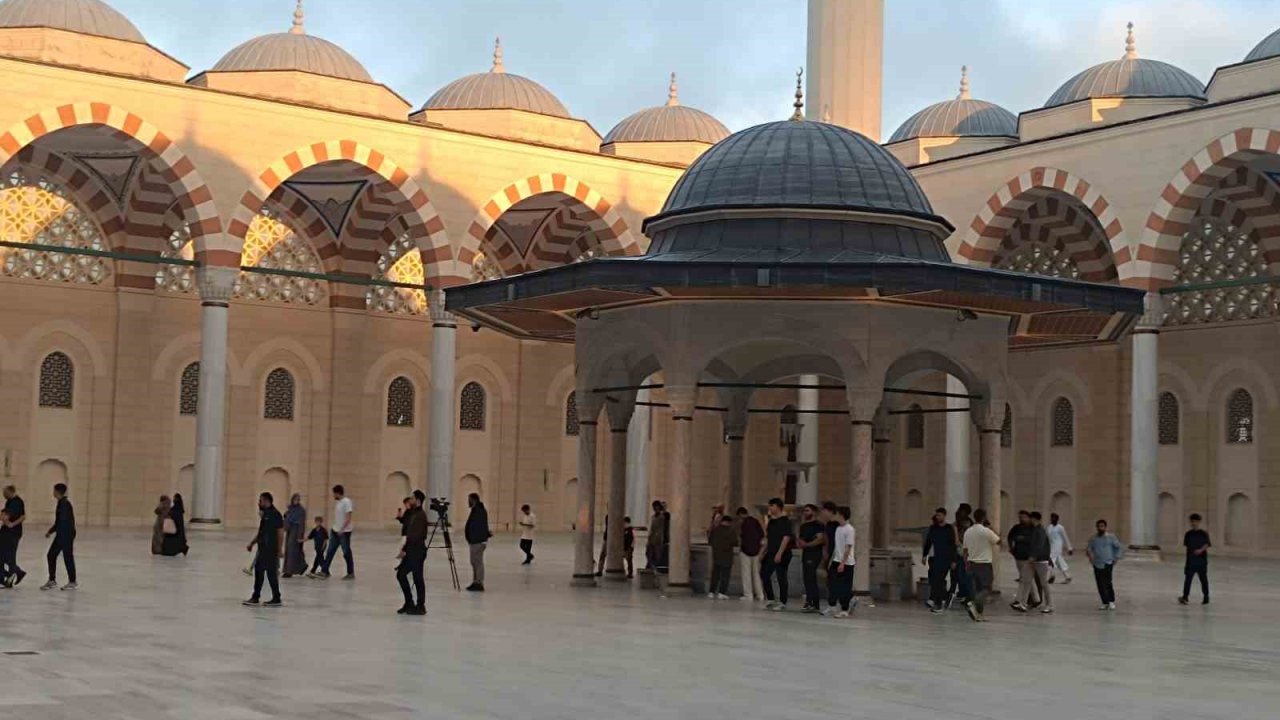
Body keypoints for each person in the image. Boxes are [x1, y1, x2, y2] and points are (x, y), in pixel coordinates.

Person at [243, 492, 284, 607]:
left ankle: (276, 598)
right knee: (259, 572)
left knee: (271, 574)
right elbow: (261, 533)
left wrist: (280, 549)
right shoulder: (265, 514)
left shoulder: (275, 515)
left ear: (267, 501)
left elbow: (280, 532)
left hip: (271, 550)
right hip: (263, 549)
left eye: (260, 501)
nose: (259, 503)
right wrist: (252, 543)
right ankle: (256, 597)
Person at [962, 508, 1001, 622]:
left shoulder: (968, 531)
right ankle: (972, 603)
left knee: (978, 589)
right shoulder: (986, 531)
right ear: (984, 518)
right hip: (984, 564)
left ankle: (978, 615)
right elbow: (999, 541)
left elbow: (965, 550)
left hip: (971, 564)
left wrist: (966, 564)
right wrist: (992, 529)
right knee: (987, 588)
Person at [396, 490, 429, 615]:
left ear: (418, 500)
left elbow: (416, 535)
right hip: (411, 550)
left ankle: (420, 606)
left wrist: (405, 547)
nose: (410, 500)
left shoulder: (421, 515)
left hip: (417, 551)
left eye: (413, 498)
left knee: (417, 578)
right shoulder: (414, 513)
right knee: (401, 574)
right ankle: (409, 602)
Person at [40, 483, 76, 591]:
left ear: (57, 491)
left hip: (65, 535)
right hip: (62, 534)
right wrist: (50, 532)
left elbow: (63, 522)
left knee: (67, 557)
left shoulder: (64, 504)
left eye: (54, 490)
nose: (53, 492)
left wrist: (62, 536)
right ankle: (52, 580)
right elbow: (58, 522)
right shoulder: (62, 503)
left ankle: (72, 581)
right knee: (51, 555)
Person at [922, 507, 958, 614]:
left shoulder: (949, 529)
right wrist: (924, 555)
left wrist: (954, 560)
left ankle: (938, 604)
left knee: (939, 581)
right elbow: (928, 542)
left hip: (946, 559)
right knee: (936, 581)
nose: (938, 517)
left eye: (940, 515)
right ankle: (944, 599)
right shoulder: (933, 528)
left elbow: (953, 545)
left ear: (944, 516)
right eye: (937, 515)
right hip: (936, 558)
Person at [1017, 511, 1054, 614]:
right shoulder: (1034, 530)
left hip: (1040, 560)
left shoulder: (1040, 531)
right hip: (1032, 560)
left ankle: (1049, 605)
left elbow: (1040, 545)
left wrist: (1033, 556)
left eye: (1030, 518)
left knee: (1044, 583)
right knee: (1026, 580)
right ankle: (1023, 603)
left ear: (1033, 519)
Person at [760, 498, 794, 611]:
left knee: (781, 577)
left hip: (783, 553)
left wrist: (780, 553)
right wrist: (762, 552)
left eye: (772, 505)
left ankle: (783, 601)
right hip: (770, 552)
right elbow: (768, 539)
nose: (770, 508)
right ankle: (770, 598)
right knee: (764, 574)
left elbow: (786, 538)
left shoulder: (786, 521)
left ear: (778, 507)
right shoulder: (771, 522)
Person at [1085, 518, 1122, 610]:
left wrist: (1116, 558)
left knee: (1108, 582)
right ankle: (1104, 602)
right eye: (1098, 526)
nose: (1100, 528)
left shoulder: (1111, 537)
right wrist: (1090, 557)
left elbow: (1118, 547)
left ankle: (1111, 601)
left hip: (1108, 562)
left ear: (1105, 527)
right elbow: (1089, 548)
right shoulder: (1093, 538)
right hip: (1097, 563)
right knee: (1100, 583)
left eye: (1102, 526)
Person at [319, 484, 354, 579]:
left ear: (338, 493)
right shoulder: (338, 502)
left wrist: (342, 529)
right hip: (335, 531)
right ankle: (324, 571)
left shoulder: (347, 502)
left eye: (334, 494)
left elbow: (348, 517)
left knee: (346, 552)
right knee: (330, 551)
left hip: (344, 532)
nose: (333, 496)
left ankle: (350, 572)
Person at [796, 504, 826, 613]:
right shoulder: (803, 526)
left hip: (814, 554)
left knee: (811, 578)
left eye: (807, 511)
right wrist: (801, 543)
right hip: (806, 554)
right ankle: (810, 601)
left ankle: (813, 603)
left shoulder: (818, 525)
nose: (805, 513)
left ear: (814, 512)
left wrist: (807, 545)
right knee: (807, 578)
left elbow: (820, 539)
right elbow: (800, 540)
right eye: (804, 511)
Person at [1007, 510, 1039, 611]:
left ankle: (1021, 601)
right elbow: (1010, 537)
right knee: (1025, 578)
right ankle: (1035, 598)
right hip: (1018, 557)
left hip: (1028, 557)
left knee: (1025, 579)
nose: (1022, 519)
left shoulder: (1033, 529)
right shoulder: (1016, 528)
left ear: (1029, 518)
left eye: (1024, 517)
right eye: (1020, 517)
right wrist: (1011, 548)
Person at [827, 506, 855, 618]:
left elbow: (848, 547)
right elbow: (837, 547)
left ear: (842, 515)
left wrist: (843, 563)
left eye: (837, 514)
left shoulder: (850, 529)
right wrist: (832, 560)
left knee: (844, 586)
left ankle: (844, 609)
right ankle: (832, 606)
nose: (835, 516)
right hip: (836, 560)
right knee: (833, 584)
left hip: (847, 563)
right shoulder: (838, 529)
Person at [1179, 513, 1211, 605]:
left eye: (1196, 521)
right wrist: (1187, 562)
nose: (1194, 523)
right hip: (1191, 561)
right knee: (1188, 579)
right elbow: (1187, 548)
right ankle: (1185, 597)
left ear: (1199, 522)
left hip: (1201, 561)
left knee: (1203, 579)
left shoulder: (1203, 533)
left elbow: (1207, 544)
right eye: (1192, 521)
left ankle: (1206, 596)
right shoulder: (1188, 534)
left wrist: (1200, 550)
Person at [737, 506, 765, 602]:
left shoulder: (743, 523)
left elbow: (742, 537)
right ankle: (760, 594)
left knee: (746, 574)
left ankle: (748, 595)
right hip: (756, 551)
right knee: (756, 574)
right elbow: (762, 535)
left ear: (740, 515)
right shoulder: (755, 522)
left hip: (746, 551)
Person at [464, 492, 490, 592]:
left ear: (474, 500)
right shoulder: (476, 510)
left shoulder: (479, 511)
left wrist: (474, 538)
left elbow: (478, 527)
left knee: (478, 562)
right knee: (474, 562)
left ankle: (479, 582)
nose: (468, 502)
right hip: (475, 541)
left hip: (478, 541)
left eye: (469, 500)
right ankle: (475, 581)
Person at [1, 485, 26, 587]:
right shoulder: (10, 501)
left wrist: (11, 524)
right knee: (3, 555)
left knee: (9, 555)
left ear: (11, 492)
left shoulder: (16, 502)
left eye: (5, 493)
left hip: (12, 533)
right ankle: (13, 574)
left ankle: (12, 574)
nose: (3, 495)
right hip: (6, 532)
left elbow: (22, 516)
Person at [707, 514, 737, 599]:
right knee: (725, 576)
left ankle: (711, 592)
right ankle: (722, 592)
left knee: (715, 575)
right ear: (729, 522)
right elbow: (735, 542)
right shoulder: (731, 531)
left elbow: (710, 541)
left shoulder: (715, 530)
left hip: (716, 556)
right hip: (727, 556)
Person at [819, 501, 840, 615]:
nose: (822, 513)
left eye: (824, 511)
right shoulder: (828, 524)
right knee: (831, 580)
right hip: (830, 555)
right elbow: (827, 540)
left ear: (829, 511)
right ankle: (849, 598)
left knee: (833, 580)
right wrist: (825, 552)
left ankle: (832, 605)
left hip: (837, 556)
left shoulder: (836, 524)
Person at [282, 493, 307, 578]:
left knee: (292, 550)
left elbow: (302, 524)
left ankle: (289, 571)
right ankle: (300, 566)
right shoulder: (291, 509)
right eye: (295, 499)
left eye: (298, 500)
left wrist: (300, 536)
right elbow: (287, 517)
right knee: (290, 550)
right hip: (290, 530)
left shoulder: (301, 510)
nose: (296, 501)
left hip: (296, 531)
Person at [1047, 513, 1073, 584]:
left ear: (1057, 519)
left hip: (1058, 546)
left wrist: (1069, 548)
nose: (1053, 519)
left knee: (1051, 560)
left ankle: (1052, 575)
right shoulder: (1049, 527)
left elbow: (1065, 538)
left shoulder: (1060, 528)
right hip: (1051, 546)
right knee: (1059, 562)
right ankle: (1067, 576)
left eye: (1054, 518)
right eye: (1052, 518)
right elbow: (1047, 538)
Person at [645, 501, 667, 571]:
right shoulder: (653, 517)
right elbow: (652, 528)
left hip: (658, 539)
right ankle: (651, 567)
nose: (655, 508)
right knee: (648, 553)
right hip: (652, 538)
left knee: (657, 555)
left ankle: (656, 568)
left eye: (657, 506)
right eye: (654, 507)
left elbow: (663, 529)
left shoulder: (662, 517)